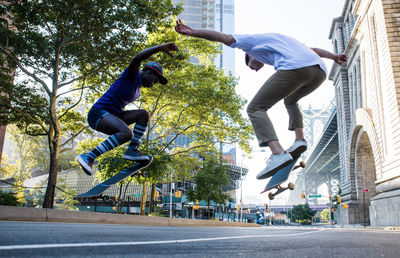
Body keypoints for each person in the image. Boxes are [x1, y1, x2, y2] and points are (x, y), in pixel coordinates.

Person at [175, 19, 347, 180]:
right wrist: (334, 57)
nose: (256, 69)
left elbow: (223, 37)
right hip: (318, 72)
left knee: (255, 108)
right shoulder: (283, 43)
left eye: (252, 65)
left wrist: (192, 32)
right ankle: (299, 140)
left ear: (249, 55)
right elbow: (313, 51)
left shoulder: (248, 42)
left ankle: (277, 153)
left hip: (296, 68)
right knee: (290, 100)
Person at [77, 43, 179, 176]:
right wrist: (160, 48)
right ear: (149, 72)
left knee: (143, 114)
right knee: (127, 133)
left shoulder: (137, 88)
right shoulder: (131, 76)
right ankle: (89, 156)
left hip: (113, 115)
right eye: (155, 80)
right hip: (98, 113)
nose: (154, 84)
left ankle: (132, 150)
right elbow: (138, 58)